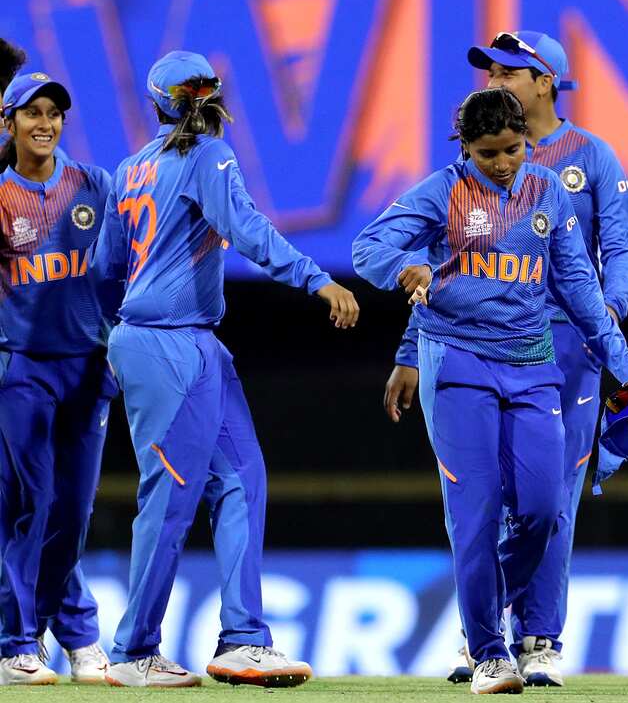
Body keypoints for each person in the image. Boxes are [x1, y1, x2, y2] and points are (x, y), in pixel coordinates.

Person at [353, 87, 628, 696]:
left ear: (526, 140)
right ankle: (489, 651)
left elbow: (577, 285)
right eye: (489, 153)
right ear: (465, 147)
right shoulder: (442, 192)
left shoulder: (549, 190)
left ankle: (481, 612)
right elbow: (368, 247)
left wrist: (621, 358)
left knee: (543, 508)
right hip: (459, 363)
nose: (503, 164)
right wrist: (404, 270)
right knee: (477, 512)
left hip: (534, 365)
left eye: (513, 149)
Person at [91, 50, 359, 688]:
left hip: (177, 342)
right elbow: (246, 228)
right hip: (170, 345)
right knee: (173, 496)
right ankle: (133, 651)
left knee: (242, 479)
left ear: (157, 103)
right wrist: (317, 280)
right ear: (208, 97)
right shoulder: (208, 155)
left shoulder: (131, 167)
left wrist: (111, 344)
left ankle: (242, 639)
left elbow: (104, 270)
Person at [0, 65, 113, 685]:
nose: (45, 124)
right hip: (24, 370)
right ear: (9, 122)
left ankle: (55, 632)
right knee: (30, 505)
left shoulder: (92, 185)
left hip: (90, 368)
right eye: (32, 113)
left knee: (73, 510)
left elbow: (130, 255)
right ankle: (18, 643)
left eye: (54, 113)